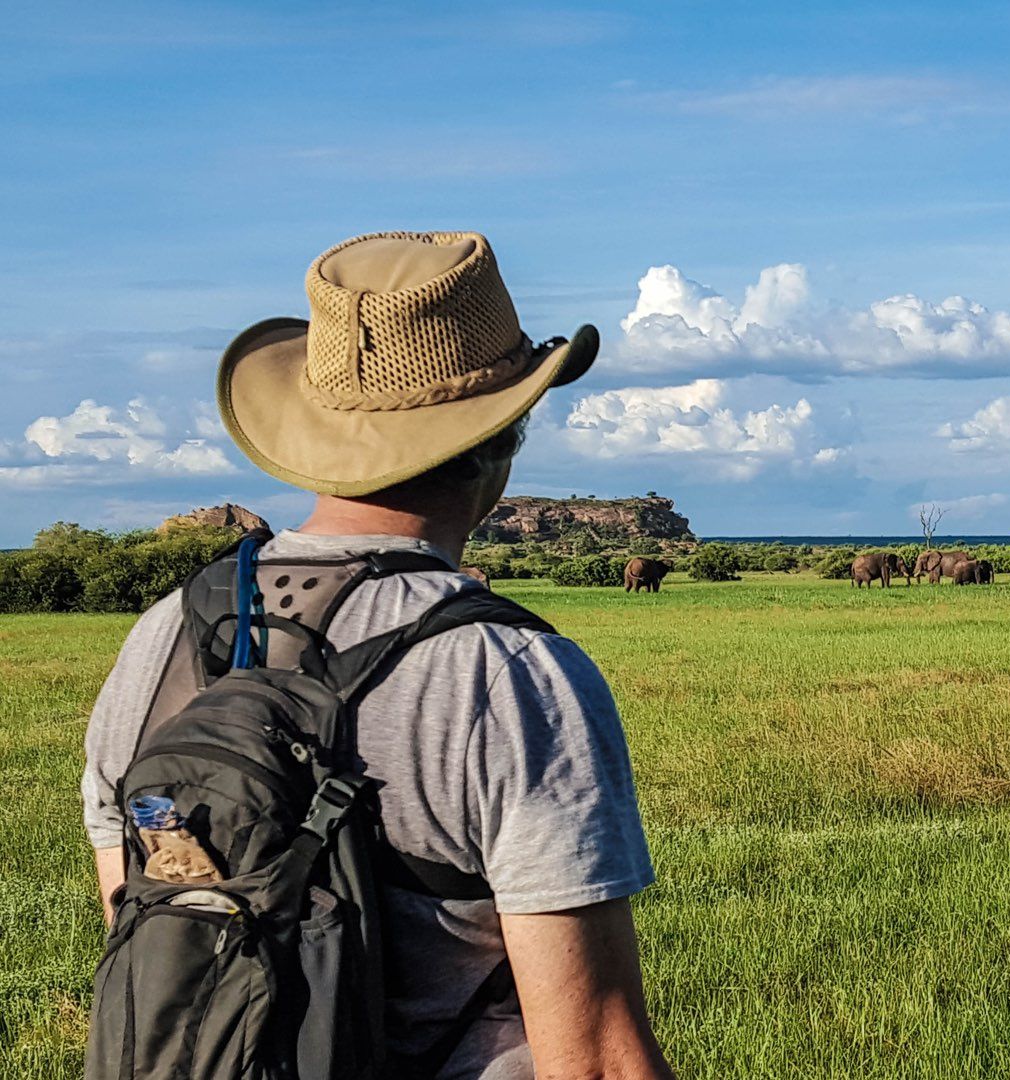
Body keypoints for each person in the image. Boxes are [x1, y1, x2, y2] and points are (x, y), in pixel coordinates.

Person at [81, 231, 675, 1079]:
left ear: (314, 429)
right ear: (504, 434)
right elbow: (595, 1060)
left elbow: (146, 932)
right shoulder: (506, 672)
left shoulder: (160, 638)